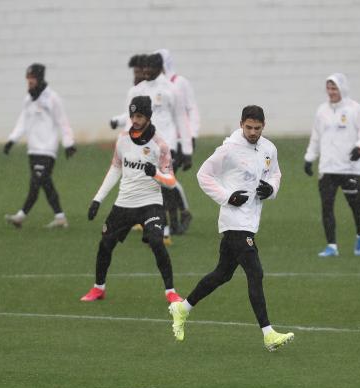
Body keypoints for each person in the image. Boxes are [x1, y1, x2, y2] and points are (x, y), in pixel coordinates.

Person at [168, 105, 295, 352]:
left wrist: (271, 189)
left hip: (250, 222)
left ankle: (182, 307)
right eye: (248, 127)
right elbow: (203, 175)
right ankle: (268, 334)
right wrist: (227, 196)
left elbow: (275, 174)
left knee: (222, 274)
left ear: (263, 127)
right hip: (234, 223)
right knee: (255, 273)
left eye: (257, 128)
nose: (252, 132)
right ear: (241, 124)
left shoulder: (269, 148)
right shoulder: (228, 150)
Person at [80, 96, 183, 304]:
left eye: (139, 116)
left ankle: (171, 292)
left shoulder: (160, 145)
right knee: (105, 245)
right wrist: (97, 199)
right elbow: (115, 168)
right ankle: (98, 289)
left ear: (148, 117)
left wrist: (155, 173)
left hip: (150, 203)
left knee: (156, 242)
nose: (135, 120)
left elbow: (171, 182)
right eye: (132, 115)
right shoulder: (123, 139)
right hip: (124, 203)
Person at [124, 53, 193, 243]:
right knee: (150, 186)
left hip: (167, 145)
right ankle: (162, 226)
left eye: (149, 67)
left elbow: (181, 119)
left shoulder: (172, 90)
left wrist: (186, 150)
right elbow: (128, 122)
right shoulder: (136, 91)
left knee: (162, 184)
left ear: (159, 68)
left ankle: (165, 230)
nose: (145, 71)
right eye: (143, 67)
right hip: (143, 146)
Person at [304, 73, 360, 257]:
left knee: (356, 206)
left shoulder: (354, 109)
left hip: (350, 167)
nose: (331, 92)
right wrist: (309, 157)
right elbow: (316, 136)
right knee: (326, 207)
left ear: (342, 89)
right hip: (327, 168)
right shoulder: (322, 111)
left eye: (334, 88)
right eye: (329, 88)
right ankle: (331, 246)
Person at [3, 63, 76, 228]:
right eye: (27, 79)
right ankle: (60, 217)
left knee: (37, 182)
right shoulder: (28, 99)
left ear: (40, 78)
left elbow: (63, 122)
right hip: (33, 149)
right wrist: (11, 140)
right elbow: (22, 121)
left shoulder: (52, 98)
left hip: (47, 149)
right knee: (42, 183)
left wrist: (69, 143)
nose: (29, 82)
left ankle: (21, 215)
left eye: (32, 79)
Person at [155, 48, 200, 234]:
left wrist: (192, 135)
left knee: (167, 179)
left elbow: (191, 109)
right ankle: (175, 221)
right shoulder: (159, 87)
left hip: (181, 141)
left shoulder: (180, 83)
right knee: (165, 181)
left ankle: (179, 216)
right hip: (168, 141)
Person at [110, 54, 148, 130]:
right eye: (134, 72)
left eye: (138, 72)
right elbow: (129, 114)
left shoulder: (151, 90)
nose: (135, 76)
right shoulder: (133, 91)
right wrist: (117, 121)